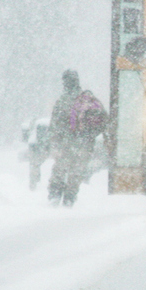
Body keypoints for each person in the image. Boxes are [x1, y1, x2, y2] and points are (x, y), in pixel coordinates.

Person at [48, 70, 108, 206]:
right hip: (85, 144)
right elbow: (104, 121)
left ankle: (55, 195)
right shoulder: (89, 99)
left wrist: (55, 142)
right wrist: (90, 136)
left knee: (59, 169)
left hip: (66, 143)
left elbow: (55, 125)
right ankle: (70, 198)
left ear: (65, 83)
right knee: (76, 172)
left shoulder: (62, 101)